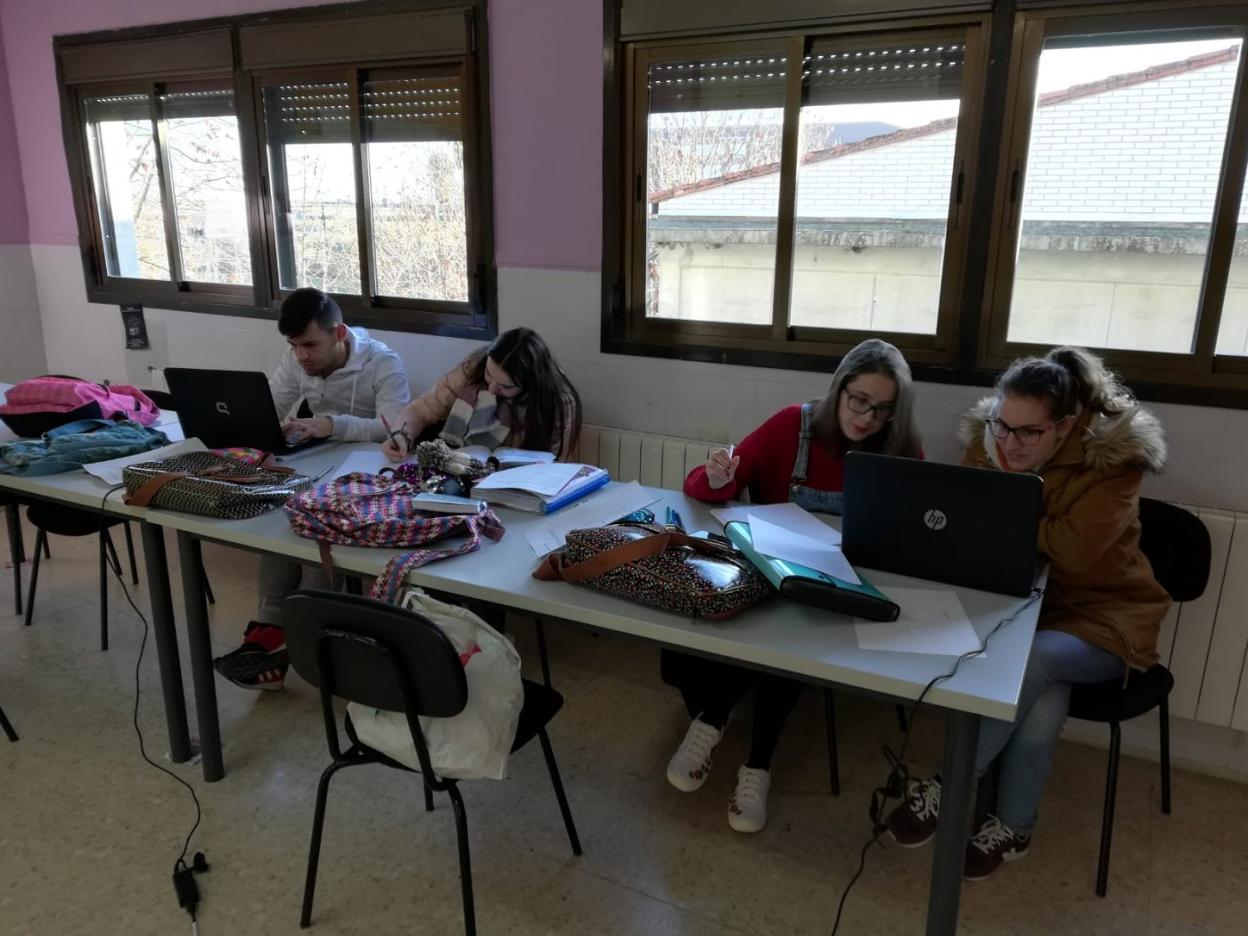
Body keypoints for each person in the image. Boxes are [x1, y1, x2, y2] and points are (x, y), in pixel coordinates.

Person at [886, 346, 1169, 880]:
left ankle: (949, 785)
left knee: (1033, 662)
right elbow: (958, 518)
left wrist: (998, 517)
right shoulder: (988, 439)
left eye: (1029, 432)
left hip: (1104, 617)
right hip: (1022, 607)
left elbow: (1075, 552)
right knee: (1041, 705)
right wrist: (998, 518)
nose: (1009, 443)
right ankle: (1015, 826)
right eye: (1002, 425)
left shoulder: (1112, 462)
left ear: (1065, 426)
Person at [666, 338, 923, 833]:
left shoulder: (902, 449)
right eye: (859, 401)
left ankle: (753, 760)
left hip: (841, 585)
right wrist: (717, 474)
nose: (867, 417)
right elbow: (702, 486)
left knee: (798, 635)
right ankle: (714, 723)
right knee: (768, 628)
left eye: (882, 409)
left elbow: (911, 531)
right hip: (772, 571)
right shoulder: (792, 425)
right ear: (839, 389)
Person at [212, 288, 411, 691]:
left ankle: (297, 633)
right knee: (279, 516)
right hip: (317, 461)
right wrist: (259, 433)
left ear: (339, 334)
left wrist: (331, 425)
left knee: (321, 527)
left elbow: (393, 426)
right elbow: (268, 405)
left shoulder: (384, 362)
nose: (301, 356)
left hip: (368, 477)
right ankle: (269, 629)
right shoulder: (296, 359)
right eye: (294, 346)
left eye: (310, 345)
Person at [382, 327, 581, 461]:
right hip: (456, 469)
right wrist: (401, 435)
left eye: (506, 387)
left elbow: (557, 467)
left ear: (530, 384)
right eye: (488, 375)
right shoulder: (473, 367)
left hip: (519, 488)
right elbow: (422, 409)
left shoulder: (559, 402)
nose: (492, 389)